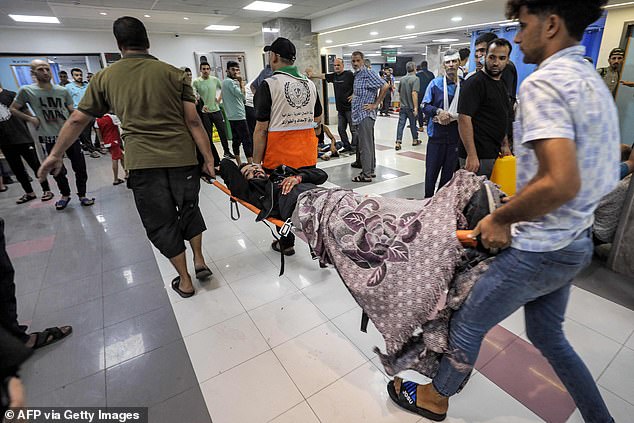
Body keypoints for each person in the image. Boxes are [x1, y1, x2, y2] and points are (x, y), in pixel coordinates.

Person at [389, 1, 617, 422]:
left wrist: (501, 218)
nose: (515, 38)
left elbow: (560, 181)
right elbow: (589, 174)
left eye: (523, 24)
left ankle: (436, 397)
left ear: (550, 24)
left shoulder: (545, 82)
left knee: (467, 324)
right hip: (575, 240)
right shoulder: (589, 80)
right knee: (549, 336)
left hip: (542, 246)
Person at [38, 16, 216, 299]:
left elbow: (77, 120)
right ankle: (199, 260)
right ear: (147, 42)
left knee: (161, 221)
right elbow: (193, 121)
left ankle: (184, 280)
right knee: (189, 208)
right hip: (183, 159)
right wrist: (208, 158)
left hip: (144, 164)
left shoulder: (104, 78)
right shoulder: (174, 73)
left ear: (118, 44)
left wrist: (55, 154)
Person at [252, 37, 322, 255]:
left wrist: (256, 163)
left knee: (282, 200)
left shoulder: (269, 85)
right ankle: (315, 238)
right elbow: (318, 120)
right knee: (306, 197)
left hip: (280, 158)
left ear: (273, 57)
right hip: (307, 156)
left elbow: (261, 130)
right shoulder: (310, 84)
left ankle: (286, 243)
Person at [11, 60, 95, 211]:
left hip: (69, 137)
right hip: (49, 138)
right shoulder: (27, 90)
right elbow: (14, 108)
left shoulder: (62, 91)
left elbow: (72, 111)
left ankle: (82, 194)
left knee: (80, 168)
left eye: (47, 69)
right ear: (33, 73)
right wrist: (31, 118)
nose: (44, 72)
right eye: (40, 69)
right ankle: (65, 195)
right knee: (57, 170)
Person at [458, 38, 513, 179]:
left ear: (507, 60)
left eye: (502, 58)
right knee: (476, 198)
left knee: (490, 197)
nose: (496, 63)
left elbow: (502, 115)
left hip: (493, 153)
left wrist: (504, 144)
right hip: (477, 156)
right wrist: (471, 155)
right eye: (492, 57)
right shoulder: (474, 83)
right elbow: (464, 119)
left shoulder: (501, 84)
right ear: (485, 57)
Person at [0, 84, 54, 204]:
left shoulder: (11, 95)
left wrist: (37, 124)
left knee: (35, 165)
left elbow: (26, 112)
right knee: (17, 169)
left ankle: (47, 190)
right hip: (5, 142)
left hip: (22, 137)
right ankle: (29, 193)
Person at [422, 50, 462, 198]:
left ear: (459, 62)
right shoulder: (435, 84)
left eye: (453, 61)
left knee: (447, 176)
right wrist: (438, 112)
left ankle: (441, 206)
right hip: (436, 138)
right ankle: (427, 202)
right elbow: (424, 106)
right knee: (431, 174)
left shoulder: (464, 85)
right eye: (448, 62)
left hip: (455, 138)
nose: (451, 65)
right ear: (444, 65)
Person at [350, 51, 389, 182]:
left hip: (365, 115)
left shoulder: (367, 73)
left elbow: (385, 85)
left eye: (357, 61)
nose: (355, 63)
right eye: (353, 61)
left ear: (362, 61)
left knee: (364, 145)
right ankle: (370, 170)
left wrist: (375, 104)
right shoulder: (358, 75)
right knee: (369, 143)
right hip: (360, 115)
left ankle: (365, 175)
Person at [306, 58, 355, 153]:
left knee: (353, 130)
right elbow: (323, 76)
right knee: (341, 129)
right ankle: (346, 146)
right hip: (340, 109)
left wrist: (354, 94)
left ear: (343, 65)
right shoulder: (334, 76)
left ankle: (354, 148)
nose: (336, 67)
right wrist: (312, 75)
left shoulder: (348, 74)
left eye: (338, 65)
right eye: (335, 65)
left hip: (350, 109)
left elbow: (357, 84)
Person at [182, 66, 221, 177]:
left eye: (190, 74)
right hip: (190, 122)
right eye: (186, 75)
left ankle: (215, 163)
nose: (188, 77)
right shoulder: (183, 90)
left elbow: (200, 103)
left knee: (207, 139)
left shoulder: (193, 89)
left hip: (201, 118)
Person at [192, 62, 232, 158]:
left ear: (210, 70)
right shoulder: (196, 82)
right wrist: (198, 101)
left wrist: (219, 99)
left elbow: (223, 89)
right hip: (205, 113)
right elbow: (194, 95)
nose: (206, 71)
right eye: (204, 69)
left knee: (222, 133)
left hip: (216, 111)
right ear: (200, 70)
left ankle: (227, 152)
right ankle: (212, 155)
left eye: (207, 69)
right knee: (208, 136)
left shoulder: (214, 80)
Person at [222, 61, 253, 165]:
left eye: (237, 70)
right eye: (233, 69)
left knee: (236, 139)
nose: (235, 72)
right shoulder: (230, 82)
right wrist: (241, 83)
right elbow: (242, 96)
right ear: (227, 70)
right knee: (246, 140)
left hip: (232, 116)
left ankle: (239, 163)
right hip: (239, 115)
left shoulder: (225, 82)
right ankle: (251, 164)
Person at [67, 68, 100, 158]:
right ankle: (91, 150)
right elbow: (67, 101)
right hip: (80, 112)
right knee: (86, 133)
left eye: (81, 75)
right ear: (72, 76)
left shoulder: (88, 85)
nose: (79, 77)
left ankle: (97, 145)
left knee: (98, 128)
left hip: (91, 111)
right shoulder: (68, 87)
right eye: (77, 75)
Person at [94, 113, 126, 185]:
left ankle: (127, 173)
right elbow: (122, 122)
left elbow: (98, 132)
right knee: (115, 159)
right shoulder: (112, 117)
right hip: (114, 141)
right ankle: (115, 179)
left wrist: (101, 142)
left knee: (122, 157)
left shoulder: (97, 120)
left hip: (107, 142)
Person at [395, 61, 420, 150]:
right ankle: (414, 140)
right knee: (413, 124)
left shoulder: (402, 79)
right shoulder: (416, 79)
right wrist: (416, 107)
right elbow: (414, 93)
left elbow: (399, 92)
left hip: (403, 106)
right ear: (414, 68)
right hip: (410, 107)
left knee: (401, 124)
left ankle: (398, 142)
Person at [416, 61, 435, 131]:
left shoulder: (418, 75)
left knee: (419, 110)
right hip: (429, 94)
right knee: (428, 109)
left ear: (421, 66)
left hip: (420, 94)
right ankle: (428, 124)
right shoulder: (431, 74)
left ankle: (421, 126)